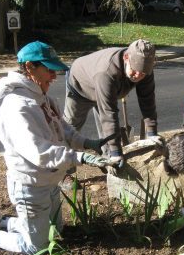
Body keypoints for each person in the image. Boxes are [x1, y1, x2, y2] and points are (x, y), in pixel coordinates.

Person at [0, 41, 113, 255]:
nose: (54, 77)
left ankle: (1, 220)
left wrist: (87, 144)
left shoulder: (43, 98)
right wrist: (82, 158)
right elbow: (40, 153)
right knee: (37, 246)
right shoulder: (17, 108)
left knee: (57, 230)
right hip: (31, 185)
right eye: (48, 69)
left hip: (50, 181)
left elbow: (63, 129)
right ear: (29, 67)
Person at [63, 39, 160, 169]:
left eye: (142, 73)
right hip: (80, 86)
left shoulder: (144, 68)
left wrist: (152, 133)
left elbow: (147, 99)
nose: (138, 76)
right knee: (68, 129)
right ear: (126, 57)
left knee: (107, 130)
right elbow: (109, 113)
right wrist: (116, 151)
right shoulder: (106, 73)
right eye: (135, 70)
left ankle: (108, 162)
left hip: (107, 88)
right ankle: (64, 171)